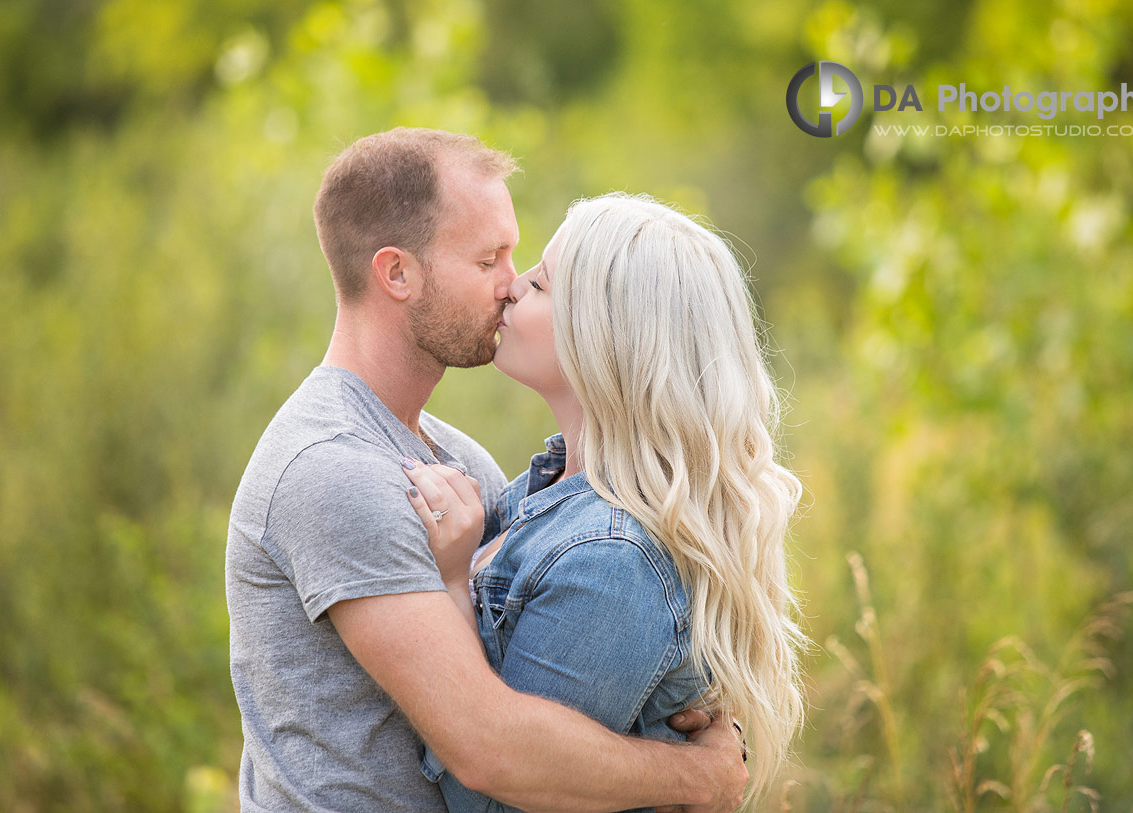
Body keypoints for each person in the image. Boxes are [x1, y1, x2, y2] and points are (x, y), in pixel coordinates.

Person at [225, 128, 747, 812]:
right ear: (398, 273)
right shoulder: (334, 469)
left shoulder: (461, 462)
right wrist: (691, 777)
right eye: (489, 259)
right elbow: (488, 746)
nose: (511, 285)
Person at [402, 193, 810, 811]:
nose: (511, 289)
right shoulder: (543, 493)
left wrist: (453, 583)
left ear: (604, 334)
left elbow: (491, 801)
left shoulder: (610, 556)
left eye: (540, 283)